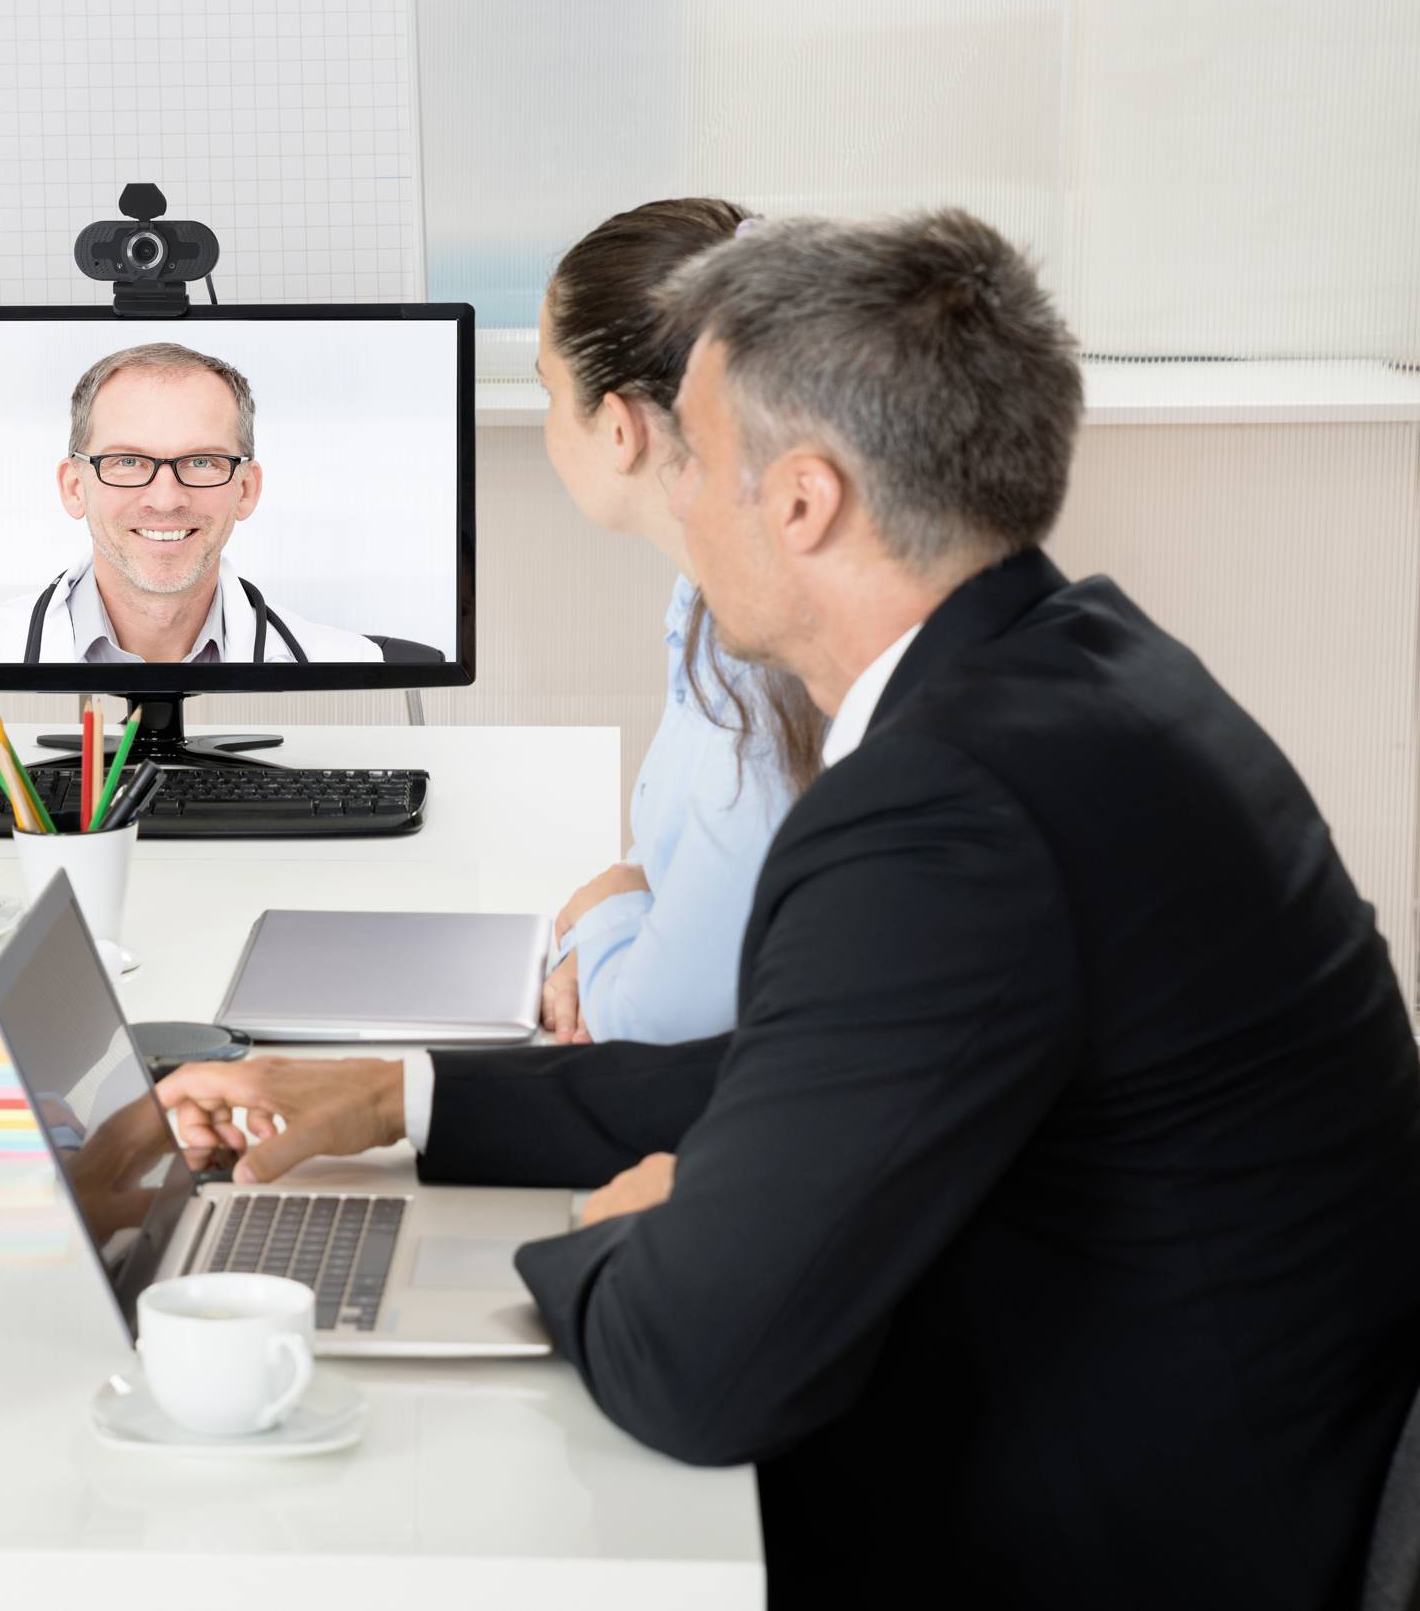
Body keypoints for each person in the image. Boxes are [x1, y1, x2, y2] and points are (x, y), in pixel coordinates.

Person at [159, 210, 1420, 1608]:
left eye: (692, 450)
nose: (671, 488)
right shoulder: (1081, 669)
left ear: (804, 500)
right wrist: (400, 1098)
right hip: (1210, 1439)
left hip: (1108, 1535)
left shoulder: (946, 809)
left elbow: (697, 1369)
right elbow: (817, 1067)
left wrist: (623, 1227)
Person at [532, 200, 824, 1045]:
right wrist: (633, 888)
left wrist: (601, 921)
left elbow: (655, 1025)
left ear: (619, 428)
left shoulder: (772, 677)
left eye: (551, 392)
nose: (552, 422)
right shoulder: (707, 600)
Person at [0, 342, 423, 664]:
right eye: (126, 462)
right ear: (74, 487)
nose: (166, 499)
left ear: (246, 489)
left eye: (202, 462)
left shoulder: (353, 668)